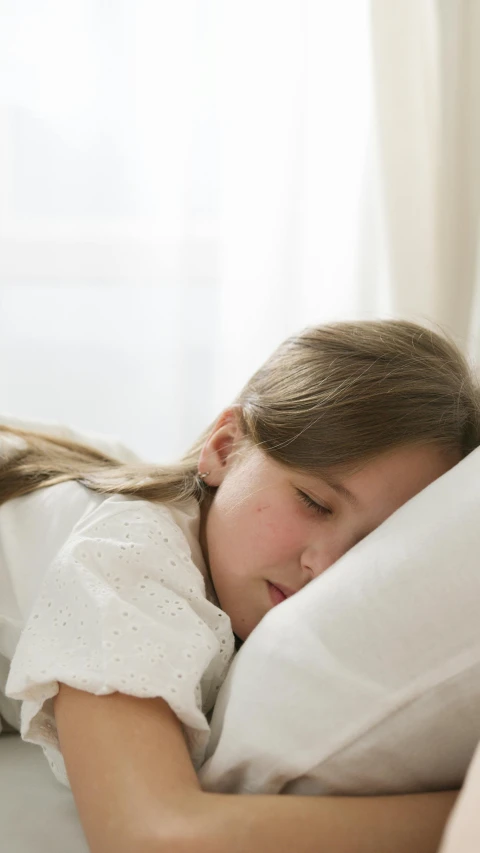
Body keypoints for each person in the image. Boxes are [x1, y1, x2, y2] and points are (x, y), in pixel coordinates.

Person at [0, 318, 478, 853]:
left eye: (372, 549)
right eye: (314, 503)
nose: (327, 566)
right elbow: (151, 834)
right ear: (224, 448)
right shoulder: (128, 558)